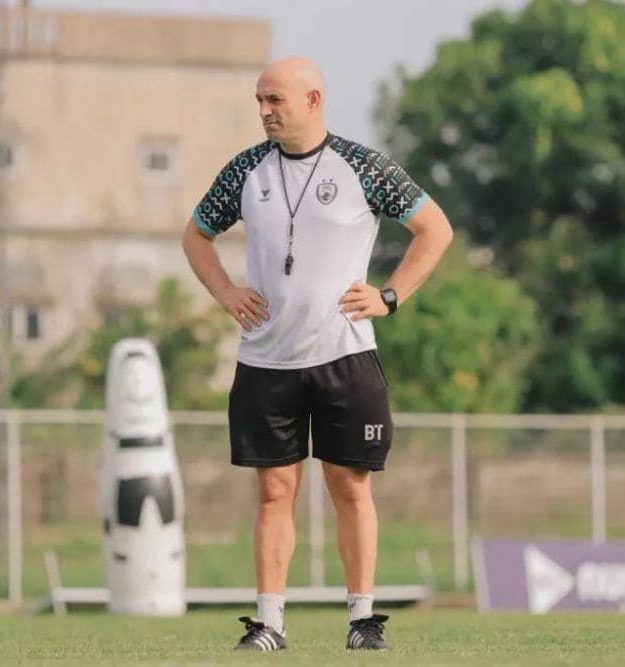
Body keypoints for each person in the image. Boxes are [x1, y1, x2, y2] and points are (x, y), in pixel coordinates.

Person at [181, 55, 453, 651]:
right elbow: (196, 234)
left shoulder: (364, 165)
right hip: (266, 361)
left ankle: (362, 619)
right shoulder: (246, 170)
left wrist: (390, 296)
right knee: (275, 492)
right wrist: (225, 291)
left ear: (313, 100)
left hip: (345, 358)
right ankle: (269, 623)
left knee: (350, 487)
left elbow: (435, 228)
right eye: (259, 100)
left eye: (274, 100)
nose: (264, 111)